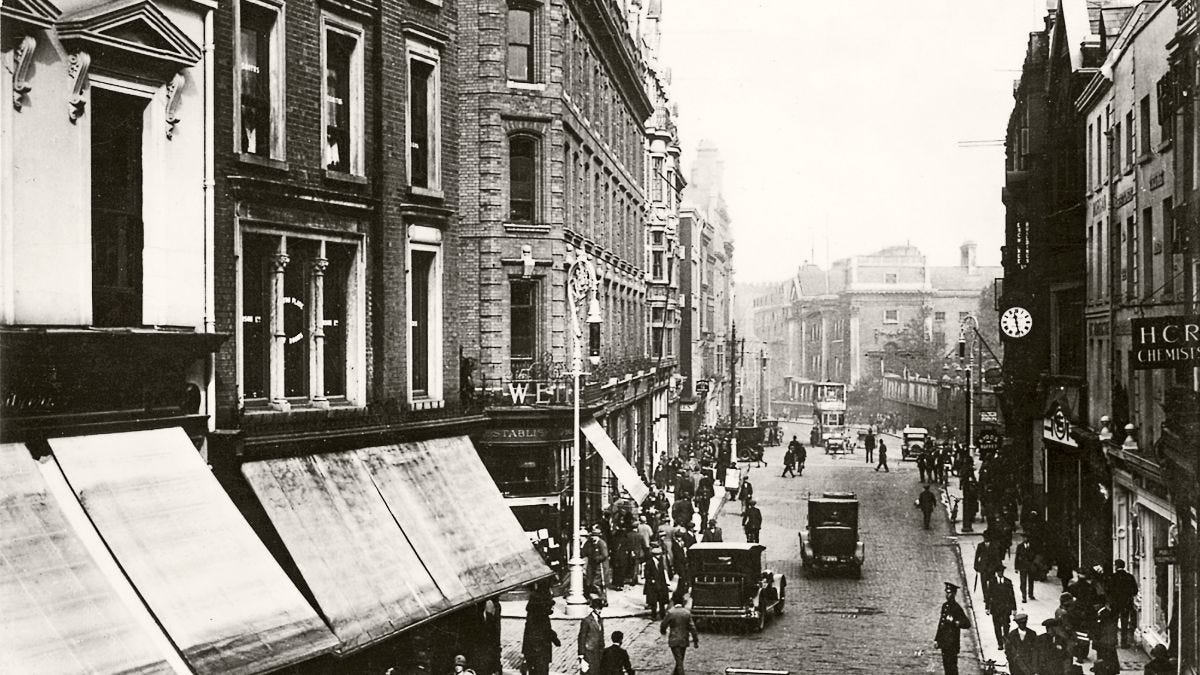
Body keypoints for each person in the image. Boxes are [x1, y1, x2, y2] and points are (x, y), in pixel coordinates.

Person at [934, 581, 971, 675]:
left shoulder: (956, 608)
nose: (947, 595)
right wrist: (937, 639)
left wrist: (957, 623)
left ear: (954, 594)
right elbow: (941, 624)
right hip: (944, 642)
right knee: (946, 666)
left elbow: (967, 623)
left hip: (952, 643)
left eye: (949, 593)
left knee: (952, 667)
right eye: (946, 592)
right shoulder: (945, 606)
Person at [660, 590, 699, 675]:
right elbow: (693, 628)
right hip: (684, 640)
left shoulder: (671, 612)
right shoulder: (686, 613)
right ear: (682, 602)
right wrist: (695, 640)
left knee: (679, 661)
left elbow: (663, 624)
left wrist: (663, 631)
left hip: (674, 640)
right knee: (680, 660)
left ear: (673, 601)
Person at [1106, 559, 1138, 647]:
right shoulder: (1130, 577)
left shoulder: (1112, 577)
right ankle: (1124, 642)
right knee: (1124, 623)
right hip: (1126, 603)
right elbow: (1135, 591)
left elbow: (1108, 590)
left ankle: (1114, 641)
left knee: (1114, 622)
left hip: (1115, 603)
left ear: (1116, 566)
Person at [987, 565, 1018, 648]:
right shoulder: (992, 582)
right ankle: (1000, 643)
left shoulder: (1008, 582)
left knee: (1006, 625)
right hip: (995, 608)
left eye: (1002, 571)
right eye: (999, 572)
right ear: (997, 572)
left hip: (1005, 608)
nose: (1000, 573)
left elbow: (1012, 596)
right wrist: (987, 607)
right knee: (997, 626)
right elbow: (989, 595)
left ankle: (1005, 640)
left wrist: (1014, 608)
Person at [583, 526, 610, 606]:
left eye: (595, 536)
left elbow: (605, 555)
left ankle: (603, 599)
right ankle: (600, 600)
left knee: (599, 583)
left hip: (601, 567)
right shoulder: (591, 543)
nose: (593, 537)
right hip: (594, 566)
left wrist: (596, 559)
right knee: (595, 583)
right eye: (592, 535)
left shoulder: (601, 543)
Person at [578, 598, 605, 674]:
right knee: (589, 672)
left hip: (598, 651)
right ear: (594, 608)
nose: (600, 610)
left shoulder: (600, 620)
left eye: (600, 608)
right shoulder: (586, 621)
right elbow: (582, 637)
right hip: (589, 651)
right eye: (598, 608)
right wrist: (581, 653)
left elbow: (601, 635)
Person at [643, 546, 670, 620]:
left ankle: (662, 615)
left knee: (662, 601)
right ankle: (653, 615)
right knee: (653, 602)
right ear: (655, 555)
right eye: (658, 555)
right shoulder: (649, 563)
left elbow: (662, 573)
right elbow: (646, 574)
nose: (660, 556)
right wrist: (652, 580)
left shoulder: (660, 562)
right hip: (653, 586)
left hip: (661, 584)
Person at [1013, 533, 1036, 602]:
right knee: (1023, 582)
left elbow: (1035, 556)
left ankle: (1030, 594)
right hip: (1022, 567)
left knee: (1031, 581)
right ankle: (1024, 596)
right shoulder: (1020, 547)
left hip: (1030, 566)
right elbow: (1016, 557)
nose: (1024, 539)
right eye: (1023, 538)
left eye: (1026, 538)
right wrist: (1016, 567)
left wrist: (1034, 565)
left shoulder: (1032, 546)